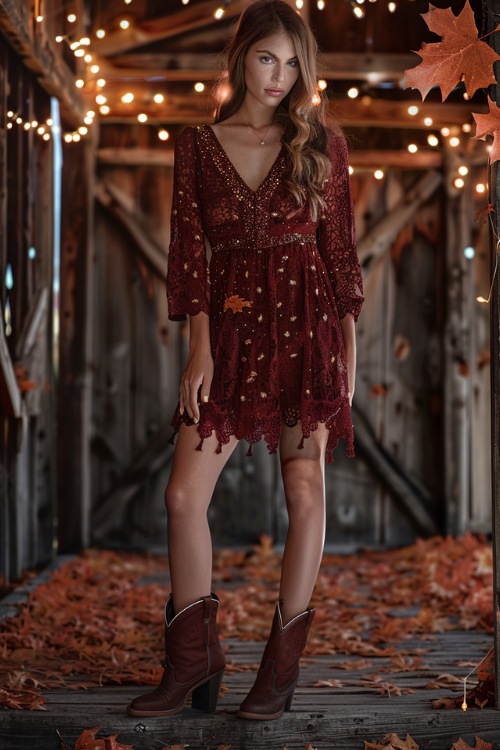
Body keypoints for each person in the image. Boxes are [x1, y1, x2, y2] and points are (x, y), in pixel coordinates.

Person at [127, 0, 363, 722]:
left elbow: (342, 262)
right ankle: (195, 658)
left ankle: (279, 672)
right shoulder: (197, 145)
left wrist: (345, 363)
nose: (279, 77)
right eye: (268, 58)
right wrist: (197, 347)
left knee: (304, 492)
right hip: (227, 339)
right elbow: (191, 260)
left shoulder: (322, 144)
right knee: (181, 497)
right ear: (241, 56)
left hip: (308, 338)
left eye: (293, 64)